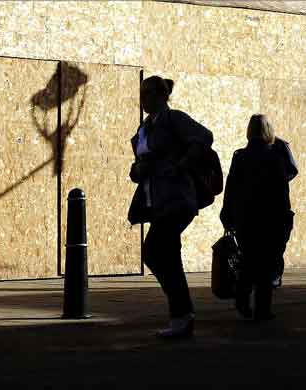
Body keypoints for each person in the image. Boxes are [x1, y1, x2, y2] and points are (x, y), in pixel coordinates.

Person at [127, 75, 213, 339]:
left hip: (176, 198)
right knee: (166, 255)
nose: (142, 99)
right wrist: (137, 170)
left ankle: (182, 313)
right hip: (156, 200)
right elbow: (140, 163)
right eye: (141, 93)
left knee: (154, 251)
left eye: (147, 93)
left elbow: (204, 137)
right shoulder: (144, 128)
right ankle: (181, 317)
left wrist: (180, 166)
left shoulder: (173, 119)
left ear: (161, 96)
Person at [220, 114, 292, 320]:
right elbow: (281, 192)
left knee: (248, 261)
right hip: (270, 219)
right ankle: (262, 309)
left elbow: (231, 188)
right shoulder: (275, 157)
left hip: (245, 218)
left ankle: (242, 300)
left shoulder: (239, 156)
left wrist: (227, 214)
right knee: (267, 265)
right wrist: (286, 218)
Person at [270, 136, 298, 288]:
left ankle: (273, 276)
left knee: (275, 247)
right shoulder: (279, 161)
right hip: (279, 211)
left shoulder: (244, 156)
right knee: (276, 247)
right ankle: (273, 276)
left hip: (276, 211)